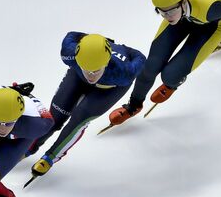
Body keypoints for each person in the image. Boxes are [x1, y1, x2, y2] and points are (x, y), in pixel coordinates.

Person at [107, 0, 221, 126]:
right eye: (161, 11)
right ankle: (134, 105)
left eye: (170, 11)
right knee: (150, 67)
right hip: (185, 16)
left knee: (170, 75)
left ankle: (172, 84)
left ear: (183, 0)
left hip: (212, 23)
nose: (167, 16)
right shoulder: (171, 3)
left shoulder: (210, 8)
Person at [26, 32, 145, 179]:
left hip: (111, 87)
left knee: (79, 118)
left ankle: (51, 156)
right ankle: (29, 146)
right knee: (56, 116)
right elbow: (71, 35)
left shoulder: (123, 72)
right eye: (86, 69)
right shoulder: (69, 54)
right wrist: (90, 39)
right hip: (77, 76)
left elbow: (140, 57)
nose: (91, 75)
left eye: (95, 71)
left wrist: (125, 49)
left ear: (106, 63)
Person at [0, 84, 54, 178]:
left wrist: (30, 97)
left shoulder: (34, 125)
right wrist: (9, 89)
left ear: (18, 119)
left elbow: (49, 120)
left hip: (19, 139)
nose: (2, 128)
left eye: (8, 123)